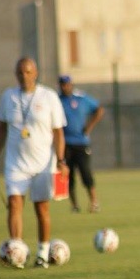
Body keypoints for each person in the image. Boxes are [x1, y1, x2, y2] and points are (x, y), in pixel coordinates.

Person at [0, 57, 68, 269]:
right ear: (16, 75)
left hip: (43, 163)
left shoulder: (48, 97)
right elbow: (2, 128)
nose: (24, 76)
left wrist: (61, 160)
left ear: (36, 73)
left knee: (42, 208)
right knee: (14, 204)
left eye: (28, 72)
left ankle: (42, 253)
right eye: (20, 73)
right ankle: (17, 252)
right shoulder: (9, 97)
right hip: (16, 163)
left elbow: (58, 132)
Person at [58, 75, 105, 213]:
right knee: (68, 176)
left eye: (67, 84)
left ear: (71, 85)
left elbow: (99, 110)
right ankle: (74, 206)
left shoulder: (81, 98)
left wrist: (89, 127)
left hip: (81, 143)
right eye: (62, 84)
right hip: (65, 144)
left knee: (86, 173)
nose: (64, 87)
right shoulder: (57, 100)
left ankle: (94, 202)